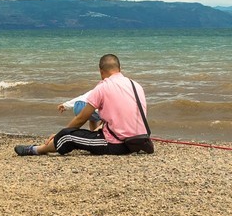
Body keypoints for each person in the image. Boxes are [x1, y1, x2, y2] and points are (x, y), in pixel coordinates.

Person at [15, 54, 151, 156]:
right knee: (91, 131)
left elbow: (81, 118)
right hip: (139, 141)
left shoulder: (103, 87)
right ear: (120, 69)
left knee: (66, 135)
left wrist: (58, 134)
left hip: (117, 145)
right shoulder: (136, 85)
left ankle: (37, 149)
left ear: (101, 71)